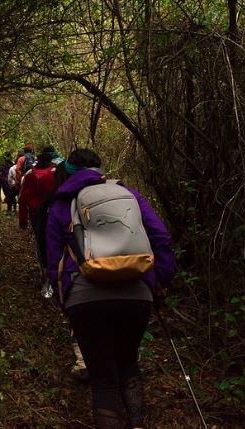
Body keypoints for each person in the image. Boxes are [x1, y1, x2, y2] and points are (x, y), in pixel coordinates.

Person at [45, 149, 175, 429]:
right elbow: (160, 237)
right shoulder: (128, 195)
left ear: (66, 173)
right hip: (136, 294)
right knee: (128, 364)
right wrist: (160, 283)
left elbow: (54, 260)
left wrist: (64, 299)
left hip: (85, 299)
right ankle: (137, 424)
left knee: (102, 379)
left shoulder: (61, 205)